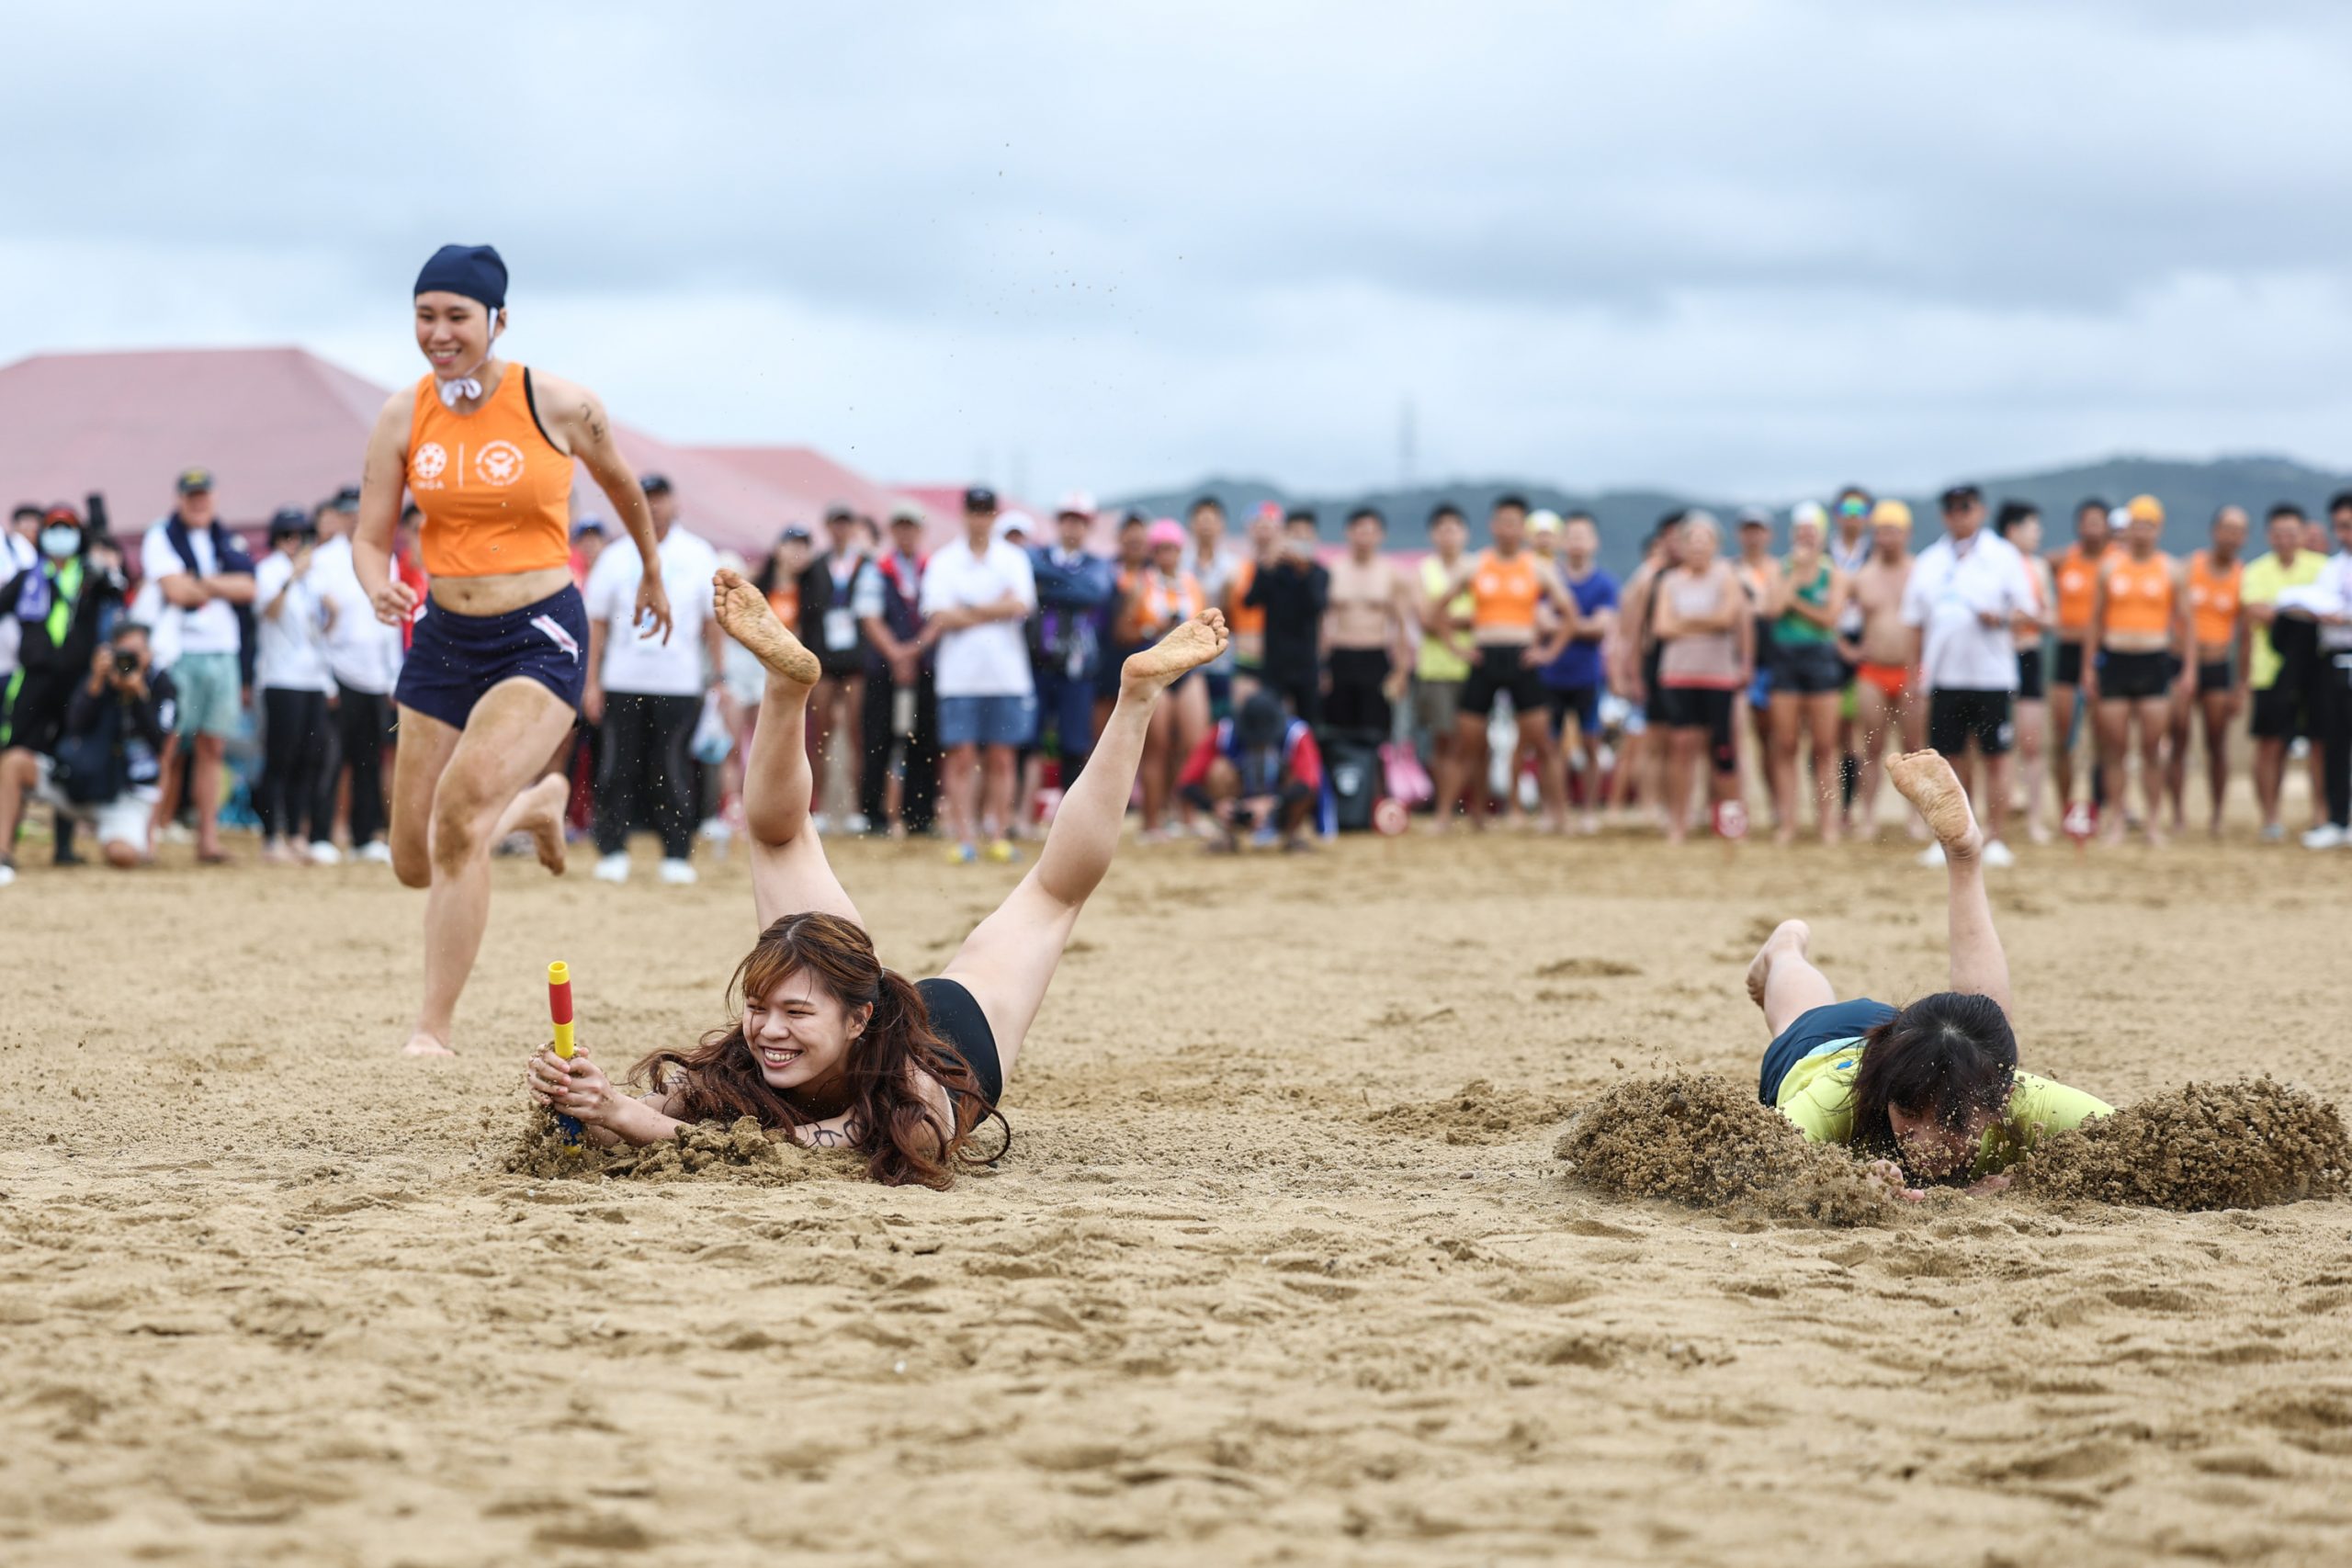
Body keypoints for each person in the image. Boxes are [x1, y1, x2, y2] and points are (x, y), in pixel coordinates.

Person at [526, 581, 1229, 1185]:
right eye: (761, 1005)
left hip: (955, 1035)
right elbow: (641, 1121)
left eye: (794, 1014)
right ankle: (788, 688)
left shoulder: (915, 1107)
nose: (770, 1028)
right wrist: (593, 1097)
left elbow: (781, 1151)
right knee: (776, 835)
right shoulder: (761, 1045)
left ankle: (1134, 697)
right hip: (850, 988)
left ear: (856, 1019)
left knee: (1054, 894)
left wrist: (622, 1117)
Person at [353, 243, 673, 1057]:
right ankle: (533, 807)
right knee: (413, 860)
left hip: (539, 633)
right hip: (443, 638)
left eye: (457, 316)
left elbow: (624, 486)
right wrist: (375, 583)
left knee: (458, 820)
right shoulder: (403, 413)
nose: (439, 332)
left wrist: (649, 570)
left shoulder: (557, 403)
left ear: (497, 319)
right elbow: (369, 535)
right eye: (425, 315)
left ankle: (433, 1027)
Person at [1745, 750, 2112, 1198]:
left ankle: (1964, 856)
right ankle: (1785, 947)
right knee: (1796, 1013)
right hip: (1820, 1050)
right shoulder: (1833, 1097)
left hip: (1923, 1040)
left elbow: (2136, 1143)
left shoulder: (2024, 1100)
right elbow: (1753, 1164)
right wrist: (1845, 1181)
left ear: (2001, 1104)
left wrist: (2030, 1182)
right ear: (1889, 1095)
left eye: (1954, 1123)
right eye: (1909, 1113)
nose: (1926, 1141)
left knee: (1985, 1029)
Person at [585, 475, 722, 886]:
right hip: (623, 677)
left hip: (678, 680)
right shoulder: (615, 556)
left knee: (673, 766)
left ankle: (677, 852)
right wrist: (590, 681)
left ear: (675, 503)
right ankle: (612, 849)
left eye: (661, 498)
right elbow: (597, 622)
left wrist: (718, 677)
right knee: (617, 766)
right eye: (646, 499)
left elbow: (713, 621)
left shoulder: (698, 554)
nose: (654, 506)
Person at [1900, 484, 2033, 866]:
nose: (1960, 514)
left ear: (1980, 511)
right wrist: (1914, 675)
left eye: (1966, 507)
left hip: (1991, 675)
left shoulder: (2004, 556)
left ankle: (1996, 837)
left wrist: (2002, 618)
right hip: (1944, 676)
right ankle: (1954, 836)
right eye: (1953, 509)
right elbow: (1914, 624)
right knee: (1949, 762)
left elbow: (2028, 611)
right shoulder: (1929, 561)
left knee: (1996, 759)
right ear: (1945, 515)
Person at [1428, 495, 1577, 832]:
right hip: (1484, 656)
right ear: (1492, 526)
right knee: (1468, 743)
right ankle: (1450, 815)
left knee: (1543, 743)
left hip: (1522, 657)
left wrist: (1549, 652)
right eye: (1502, 522)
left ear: (1522, 529)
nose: (1508, 530)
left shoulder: (1538, 567)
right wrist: (1456, 648)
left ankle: (1560, 816)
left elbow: (1570, 615)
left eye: (1515, 523)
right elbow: (1438, 611)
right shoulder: (1475, 565)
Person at [0, 621, 177, 885]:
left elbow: (162, 746)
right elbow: (74, 726)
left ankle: (115, 837)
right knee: (13, 762)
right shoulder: (96, 677)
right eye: (123, 653)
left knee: (123, 856)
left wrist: (139, 695)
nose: (128, 661)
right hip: (79, 786)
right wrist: (95, 683)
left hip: (125, 796)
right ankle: (2, 854)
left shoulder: (161, 686)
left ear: (149, 654)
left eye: (136, 653)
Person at [141, 466, 254, 864]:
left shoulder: (227, 538)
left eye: (204, 494)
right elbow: (175, 590)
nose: (198, 502)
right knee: (167, 745)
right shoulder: (161, 535)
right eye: (191, 496)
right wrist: (221, 585)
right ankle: (148, 836)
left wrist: (202, 583)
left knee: (213, 745)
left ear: (214, 497)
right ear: (180, 500)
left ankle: (207, 840)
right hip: (178, 652)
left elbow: (249, 588)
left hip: (223, 653)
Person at [921, 486, 1038, 863]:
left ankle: (999, 834)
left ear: (993, 515)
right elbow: (939, 616)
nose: (980, 518)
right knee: (961, 758)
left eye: (986, 511)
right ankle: (965, 836)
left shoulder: (1013, 557)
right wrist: (995, 607)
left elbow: (1020, 605)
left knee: (1002, 759)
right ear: (965, 514)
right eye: (975, 511)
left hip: (1005, 675)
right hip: (960, 676)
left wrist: (966, 610)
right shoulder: (944, 560)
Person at [2084, 494, 2188, 847]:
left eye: (2149, 525)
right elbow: (2094, 621)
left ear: (2158, 529)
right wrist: (2088, 667)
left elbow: (2186, 624)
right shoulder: (2110, 567)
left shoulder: (2172, 570)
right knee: (2114, 748)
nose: (2142, 532)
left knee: (2152, 748)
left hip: (2153, 660)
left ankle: (2154, 822)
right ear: (2127, 529)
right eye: (2136, 525)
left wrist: (2187, 670)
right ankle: (2116, 818)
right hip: (2116, 660)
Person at [309, 488, 401, 863]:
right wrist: (325, 678)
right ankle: (321, 834)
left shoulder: (386, 560)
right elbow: (314, 626)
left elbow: (390, 623)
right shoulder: (323, 561)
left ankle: (365, 836)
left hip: (374, 675)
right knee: (331, 759)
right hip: (337, 671)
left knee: (368, 759)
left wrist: (394, 677)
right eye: (347, 513)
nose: (353, 519)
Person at [1650, 512, 1750, 843]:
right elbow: (1662, 627)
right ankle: (1679, 822)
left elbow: (1726, 618)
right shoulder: (1670, 581)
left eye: (1704, 541)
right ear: (1680, 545)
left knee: (1723, 752)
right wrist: (1703, 622)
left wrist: (1685, 622)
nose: (1697, 547)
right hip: (1679, 674)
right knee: (1681, 749)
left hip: (1718, 675)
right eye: (1691, 541)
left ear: (1716, 546)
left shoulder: (1727, 577)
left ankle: (1731, 825)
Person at [252, 507, 341, 865]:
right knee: (280, 758)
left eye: (300, 536)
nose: (294, 543)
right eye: (288, 536)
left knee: (309, 758)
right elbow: (269, 611)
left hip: (312, 678)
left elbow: (324, 623)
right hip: (280, 678)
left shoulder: (312, 576)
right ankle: (272, 835)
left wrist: (330, 608)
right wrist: (291, 578)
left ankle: (296, 834)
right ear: (276, 539)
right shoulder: (269, 570)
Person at [1767, 502, 1849, 845]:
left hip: (1820, 657)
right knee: (1785, 745)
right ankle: (1788, 822)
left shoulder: (1834, 573)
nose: (1806, 538)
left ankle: (1827, 823)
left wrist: (1795, 602)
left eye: (1811, 532)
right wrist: (1794, 579)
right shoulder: (1781, 569)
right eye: (1800, 532)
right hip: (1785, 657)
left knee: (1825, 746)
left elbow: (1830, 618)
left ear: (1821, 536)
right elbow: (1771, 609)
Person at [2244, 502, 2328, 840]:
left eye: (2291, 533)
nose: (2285, 539)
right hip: (2269, 670)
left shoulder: (2323, 567)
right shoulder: (2255, 570)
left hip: (2316, 671)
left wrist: (2282, 609)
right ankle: (2270, 816)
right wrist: (2305, 609)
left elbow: (2333, 609)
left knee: (2321, 743)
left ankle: (2322, 813)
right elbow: (2255, 610)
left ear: (2304, 533)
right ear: (2269, 535)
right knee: (2269, 744)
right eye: (2278, 533)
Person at [857, 505, 940, 837]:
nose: (906, 533)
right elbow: (869, 617)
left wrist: (913, 651)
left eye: (912, 527)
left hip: (923, 669)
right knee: (877, 740)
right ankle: (874, 814)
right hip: (883, 668)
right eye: (901, 527)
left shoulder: (933, 569)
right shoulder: (878, 569)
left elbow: (940, 615)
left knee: (924, 741)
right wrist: (897, 654)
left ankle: (920, 813)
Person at [1840, 500, 1921, 837]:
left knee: (1914, 750)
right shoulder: (1862, 577)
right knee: (1870, 746)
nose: (1886, 538)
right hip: (1872, 671)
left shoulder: (1920, 571)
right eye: (1881, 532)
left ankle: (1916, 819)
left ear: (1906, 534)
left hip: (1910, 669)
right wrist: (1848, 650)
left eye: (1893, 531)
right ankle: (1868, 816)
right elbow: (1833, 618)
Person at [1028, 493, 1116, 784]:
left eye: (1079, 521)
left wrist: (1048, 585)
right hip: (1038, 661)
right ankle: (1022, 815)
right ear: (1058, 522)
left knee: (1074, 744)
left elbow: (1094, 592)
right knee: (1030, 741)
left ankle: (1071, 819)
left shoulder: (1097, 565)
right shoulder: (1037, 556)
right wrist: (1072, 586)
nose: (1072, 527)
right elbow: (1033, 580)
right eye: (1068, 519)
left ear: (1088, 526)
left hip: (1079, 667)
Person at [2174, 505, 2250, 838]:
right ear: (2214, 530)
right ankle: (2176, 814)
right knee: (2177, 738)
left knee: (2216, 742)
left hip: (2219, 662)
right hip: (2179, 661)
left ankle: (2217, 816)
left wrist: (2242, 685)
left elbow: (2245, 636)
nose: (2232, 535)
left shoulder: (2242, 576)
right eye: (2227, 528)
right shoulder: (2190, 567)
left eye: (2239, 530)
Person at [2280, 494, 2352, 848]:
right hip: (2334, 659)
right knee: (2335, 740)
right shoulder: (2331, 569)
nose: (2346, 533)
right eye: (2341, 526)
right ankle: (2338, 820)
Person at [796, 502, 871, 833]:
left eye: (846, 523)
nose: (841, 530)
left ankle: (855, 807)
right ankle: (821, 806)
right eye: (836, 524)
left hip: (855, 663)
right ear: (828, 527)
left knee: (855, 734)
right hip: (824, 662)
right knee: (821, 735)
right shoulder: (815, 567)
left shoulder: (866, 566)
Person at [1541, 512, 1618, 832]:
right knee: (1549, 747)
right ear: (1561, 541)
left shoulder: (1605, 584)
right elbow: (1540, 621)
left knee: (1590, 745)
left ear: (1595, 542)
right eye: (1571, 535)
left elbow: (1602, 628)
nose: (1576, 542)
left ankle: (1588, 810)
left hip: (1588, 675)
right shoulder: (1546, 579)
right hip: (1550, 675)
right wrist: (1580, 625)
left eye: (1583, 535)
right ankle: (1554, 811)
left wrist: (1564, 625)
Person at [1179, 688, 1327, 852]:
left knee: (1302, 778)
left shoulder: (1297, 734)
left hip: (1282, 805)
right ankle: (1227, 837)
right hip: (1240, 802)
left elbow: (1309, 783)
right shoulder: (1224, 732)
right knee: (1219, 770)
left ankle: (1292, 835)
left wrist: (1271, 803)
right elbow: (1187, 782)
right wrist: (1216, 805)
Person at [1611, 514, 1685, 824]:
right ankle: (1649, 806)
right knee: (1652, 742)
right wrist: (1627, 674)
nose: (1676, 542)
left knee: (1683, 743)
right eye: (1671, 536)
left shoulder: (1702, 573)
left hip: (1689, 665)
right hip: (1656, 664)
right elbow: (1630, 631)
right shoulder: (1648, 578)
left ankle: (1677, 806)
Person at [1319, 506, 1415, 737]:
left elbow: (1402, 627)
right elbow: (1321, 623)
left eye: (1371, 531)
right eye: (1359, 531)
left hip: (1376, 655)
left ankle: (1375, 772)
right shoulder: (1333, 572)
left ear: (1381, 535)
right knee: (1336, 729)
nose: (1364, 537)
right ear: (1348, 533)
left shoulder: (1393, 574)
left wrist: (1401, 672)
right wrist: (1321, 667)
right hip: (1340, 654)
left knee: (1376, 731)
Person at [2045, 497, 2112, 821]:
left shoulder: (2117, 561)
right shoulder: (2062, 560)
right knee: (2062, 736)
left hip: (2104, 653)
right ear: (2078, 526)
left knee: (2104, 736)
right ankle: (2064, 808)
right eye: (2087, 522)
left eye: (2098, 522)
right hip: (2068, 650)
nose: (2092, 529)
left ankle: (2102, 806)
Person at [1994, 502, 2055, 845]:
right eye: (2033, 527)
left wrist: (2025, 617)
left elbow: (2050, 616)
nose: (2038, 534)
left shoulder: (2039, 568)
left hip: (2028, 654)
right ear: (2012, 530)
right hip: (1995, 657)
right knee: (1990, 745)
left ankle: (2033, 819)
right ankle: (1991, 813)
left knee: (2032, 743)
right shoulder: (1991, 564)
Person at [1412, 502, 1476, 796]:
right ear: (1432, 535)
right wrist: (1459, 623)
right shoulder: (1423, 570)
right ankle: (1445, 806)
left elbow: (1486, 618)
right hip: (1436, 668)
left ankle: (1473, 806)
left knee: (1474, 740)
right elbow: (1424, 620)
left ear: (1466, 534)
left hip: (1475, 666)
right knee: (1443, 739)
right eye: (1443, 529)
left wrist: (1442, 618)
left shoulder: (1477, 567)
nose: (1449, 535)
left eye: (1455, 529)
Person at [1246, 509, 1329, 727]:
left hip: (1306, 664)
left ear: (1314, 538)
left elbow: (1317, 606)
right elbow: (1250, 601)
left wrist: (1304, 572)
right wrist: (1265, 567)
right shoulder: (1272, 568)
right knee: (1269, 720)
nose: (1300, 540)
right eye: (1295, 534)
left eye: (1306, 534)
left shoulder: (1319, 573)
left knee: (1309, 724)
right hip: (1274, 663)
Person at [1734, 509, 1785, 830]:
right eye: (1748, 530)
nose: (1754, 536)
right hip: (1737, 663)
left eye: (1759, 530)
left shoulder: (1779, 571)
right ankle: (1737, 811)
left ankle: (1777, 808)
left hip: (1774, 664)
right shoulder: (1729, 571)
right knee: (1735, 740)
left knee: (1772, 741)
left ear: (1769, 535)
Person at [1182, 495, 1244, 716]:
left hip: (1221, 657)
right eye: (1201, 519)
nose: (1206, 525)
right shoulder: (1180, 564)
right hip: (1185, 657)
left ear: (1222, 525)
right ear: (1191, 524)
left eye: (1212, 520)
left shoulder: (1234, 566)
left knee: (1220, 717)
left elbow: (1236, 616)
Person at [1226, 502, 1282, 705]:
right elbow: (1227, 617)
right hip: (1246, 656)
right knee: (1244, 722)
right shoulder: (1236, 572)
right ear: (1249, 530)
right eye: (1258, 526)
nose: (1263, 532)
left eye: (1269, 526)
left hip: (1280, 660)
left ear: (1279, 530)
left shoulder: (1289, 572)